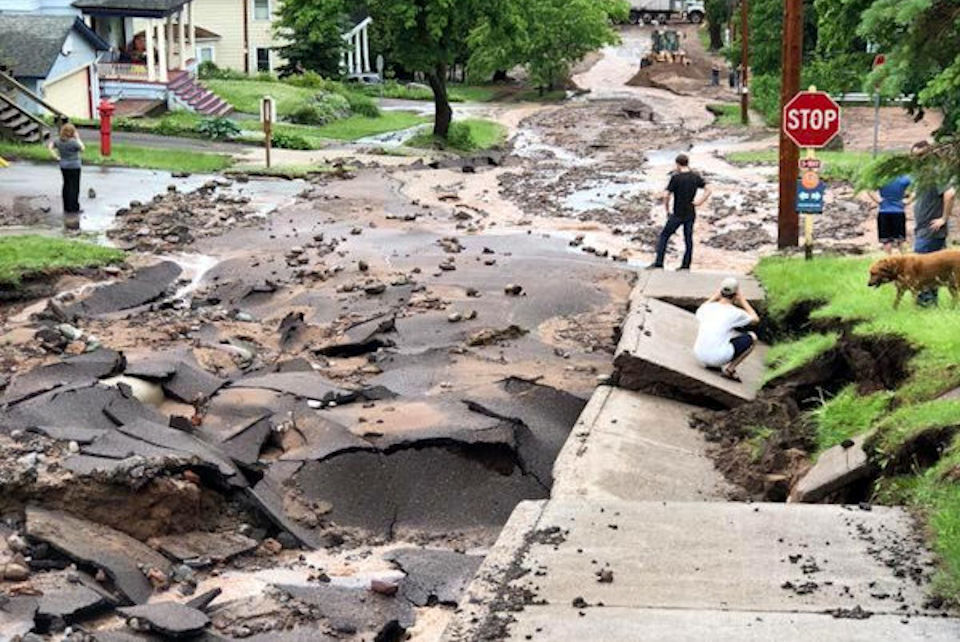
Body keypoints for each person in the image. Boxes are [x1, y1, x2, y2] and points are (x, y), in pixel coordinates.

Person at [910, 141, 956, 306]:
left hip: (931, 231)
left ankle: (926, 302)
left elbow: (950, 194)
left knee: (922, 266)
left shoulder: (937, 173)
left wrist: (944, 218)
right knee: (931, 266)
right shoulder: (923, 175)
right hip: (923, 228)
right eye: (914, 156)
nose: (918, 160)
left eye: (921, 156)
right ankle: (928, 301)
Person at [648, 154, 712, 270]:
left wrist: (667, 210)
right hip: (690, 212)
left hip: (677, 213)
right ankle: (686, 265)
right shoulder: (695, 177)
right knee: (688, 239)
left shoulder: (676, 178)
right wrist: (699, 202)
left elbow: (666, 195)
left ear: (677, 164)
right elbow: (708, 190)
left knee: (664, 236)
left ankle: (659, 263)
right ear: (687, 163)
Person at [693, 277, 760, 382]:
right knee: (752, 337)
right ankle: (730, 370)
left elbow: (701, 307)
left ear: (720, 291)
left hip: (699, 354)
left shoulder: (706, 308)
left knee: (727, 333)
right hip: (718, 357)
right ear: (736, 294)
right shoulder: (736, 313)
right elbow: (755, 319)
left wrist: (715, 296)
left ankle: (712, 363)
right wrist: (742, 300)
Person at [48, 123, 85, 231]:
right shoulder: (73, 142)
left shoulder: (58, 141)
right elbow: (82, 148)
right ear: (72, 132)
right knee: (75, 186)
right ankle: (74, 207)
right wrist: (78, 138)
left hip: (63, 165)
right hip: (74, 165)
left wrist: (55, 156)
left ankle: (66, 206)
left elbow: (50, 146)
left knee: (66, 185)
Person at [867, 174, 911, 254]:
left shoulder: (881, 178)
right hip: (899, 211)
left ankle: (888, 259)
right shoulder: (904, 178)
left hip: (884, 211)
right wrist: (908, 201)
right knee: (901, 240)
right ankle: (904, 259)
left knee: (886, 240)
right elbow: (916, 190)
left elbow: (869, 190)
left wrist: (879, 201)